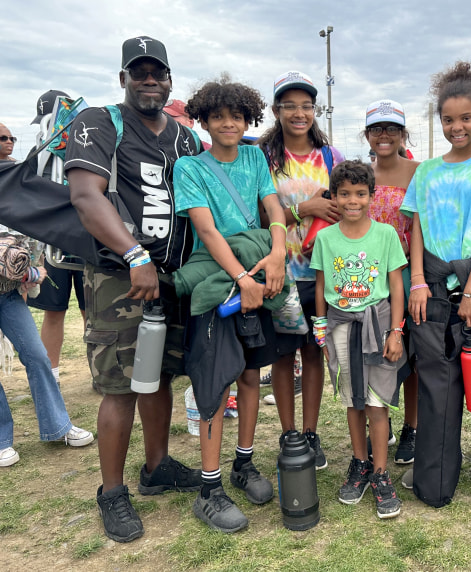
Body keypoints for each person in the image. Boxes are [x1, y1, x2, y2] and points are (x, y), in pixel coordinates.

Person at [64, 35, 203, 543]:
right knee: (121, 384)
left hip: (173, 276)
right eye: (138, 72)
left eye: (157, 72)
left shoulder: (185, 138)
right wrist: (135, 254)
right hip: (119, 275)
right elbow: (85, 195)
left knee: (161, 373)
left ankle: (158, 465)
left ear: (169, 79)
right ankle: (112, 491)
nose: (149, 79)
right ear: (123, 78)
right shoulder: (100, 123)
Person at [173, 75, 287, 533]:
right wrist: (242, 279)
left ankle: (243, 464)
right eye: (217, 116)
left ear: (248, 119)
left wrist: (278, 252)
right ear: (202, 120)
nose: (228, 123)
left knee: (250, 373)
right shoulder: (190, 168)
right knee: (216, 383)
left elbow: (274, 209)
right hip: (219, 281)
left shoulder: (256, 156)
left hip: (258, 272)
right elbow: (206, 230)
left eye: (236, 116)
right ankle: (210, 487)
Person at [0, 134, 94, 468]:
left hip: (8, 292)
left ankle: (58, 425)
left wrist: (25, 266)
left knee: (38, 357)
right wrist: (24, 272)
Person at [401, 61, 471, 505]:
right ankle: (434, 459)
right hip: (430, 286)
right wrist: (419, 283)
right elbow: (418, 229)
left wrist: (470, 292)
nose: (456, 127)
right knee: (436, 378)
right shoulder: (426, 171)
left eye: (465, 117)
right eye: (448, 119)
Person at [255, 71, 345, 469]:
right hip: (280, 274)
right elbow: (258, 215)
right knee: (282, 354)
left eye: (306, 105)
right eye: (289, 105)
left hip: (322, 275)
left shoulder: (331, 157)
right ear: (276, 110)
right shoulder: (262, 157)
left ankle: (310, 433)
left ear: (315, 110)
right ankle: (288, 433)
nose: (298, 113)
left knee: (313, 353)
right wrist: (302, 210)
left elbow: (349, 205)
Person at [311, 159, 406, 519]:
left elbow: (396, 284)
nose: (353, 200)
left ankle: (381, 474)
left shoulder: (385, 235)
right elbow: (321, 284)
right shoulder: (325, 238)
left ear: (371, 195)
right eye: (345, 193)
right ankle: (360, 464)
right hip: (339, 326)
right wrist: (321, 326)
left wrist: (396, 330)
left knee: (378, 403)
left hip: (378, 325)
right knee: (354, 401)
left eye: (360, 193)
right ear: (334, 196)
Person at [364, 99, 420, 465]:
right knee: (373, 354)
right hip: (369, 279)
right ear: (367, 135)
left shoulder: (419, 171)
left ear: (403, 134)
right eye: (376, 129)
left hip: (409, 274)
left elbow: (421, 227)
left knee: (413, 357)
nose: (384, 136)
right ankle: (379, 425)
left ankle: (412, 428)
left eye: (392, 129)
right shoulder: (359, 174)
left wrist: (418, 279)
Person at [26, 90, 87, 386]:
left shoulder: (89, 146)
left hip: (87, 241)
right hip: (52, 244)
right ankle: (50, 375)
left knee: (94, 311)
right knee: (54, 311)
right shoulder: (37, 154)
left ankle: (100, 372)